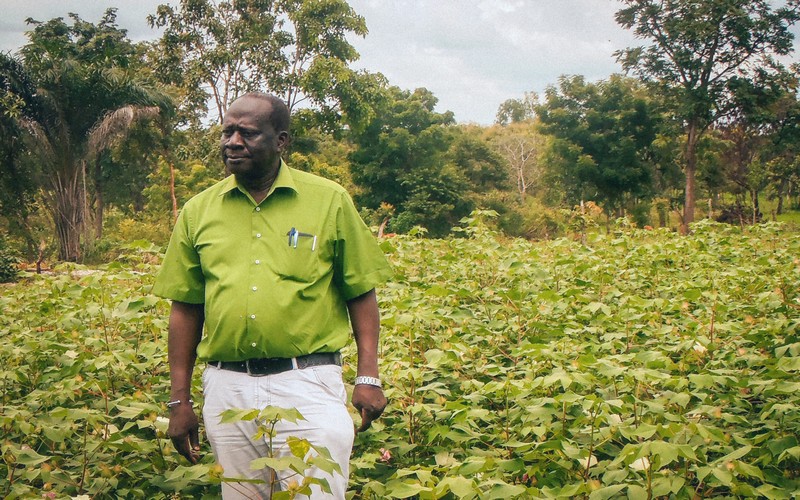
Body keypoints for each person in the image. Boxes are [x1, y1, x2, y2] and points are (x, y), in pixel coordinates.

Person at [152, 92, 392, 499]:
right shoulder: (198, 210)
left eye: (248, 133)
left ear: (281, 141)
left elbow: (360, 293)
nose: (232, 142)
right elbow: (186, 309)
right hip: (228, 387)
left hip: (308, 382)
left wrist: (368, 376)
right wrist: (179, 400)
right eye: (228, 131)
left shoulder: (328, 200)